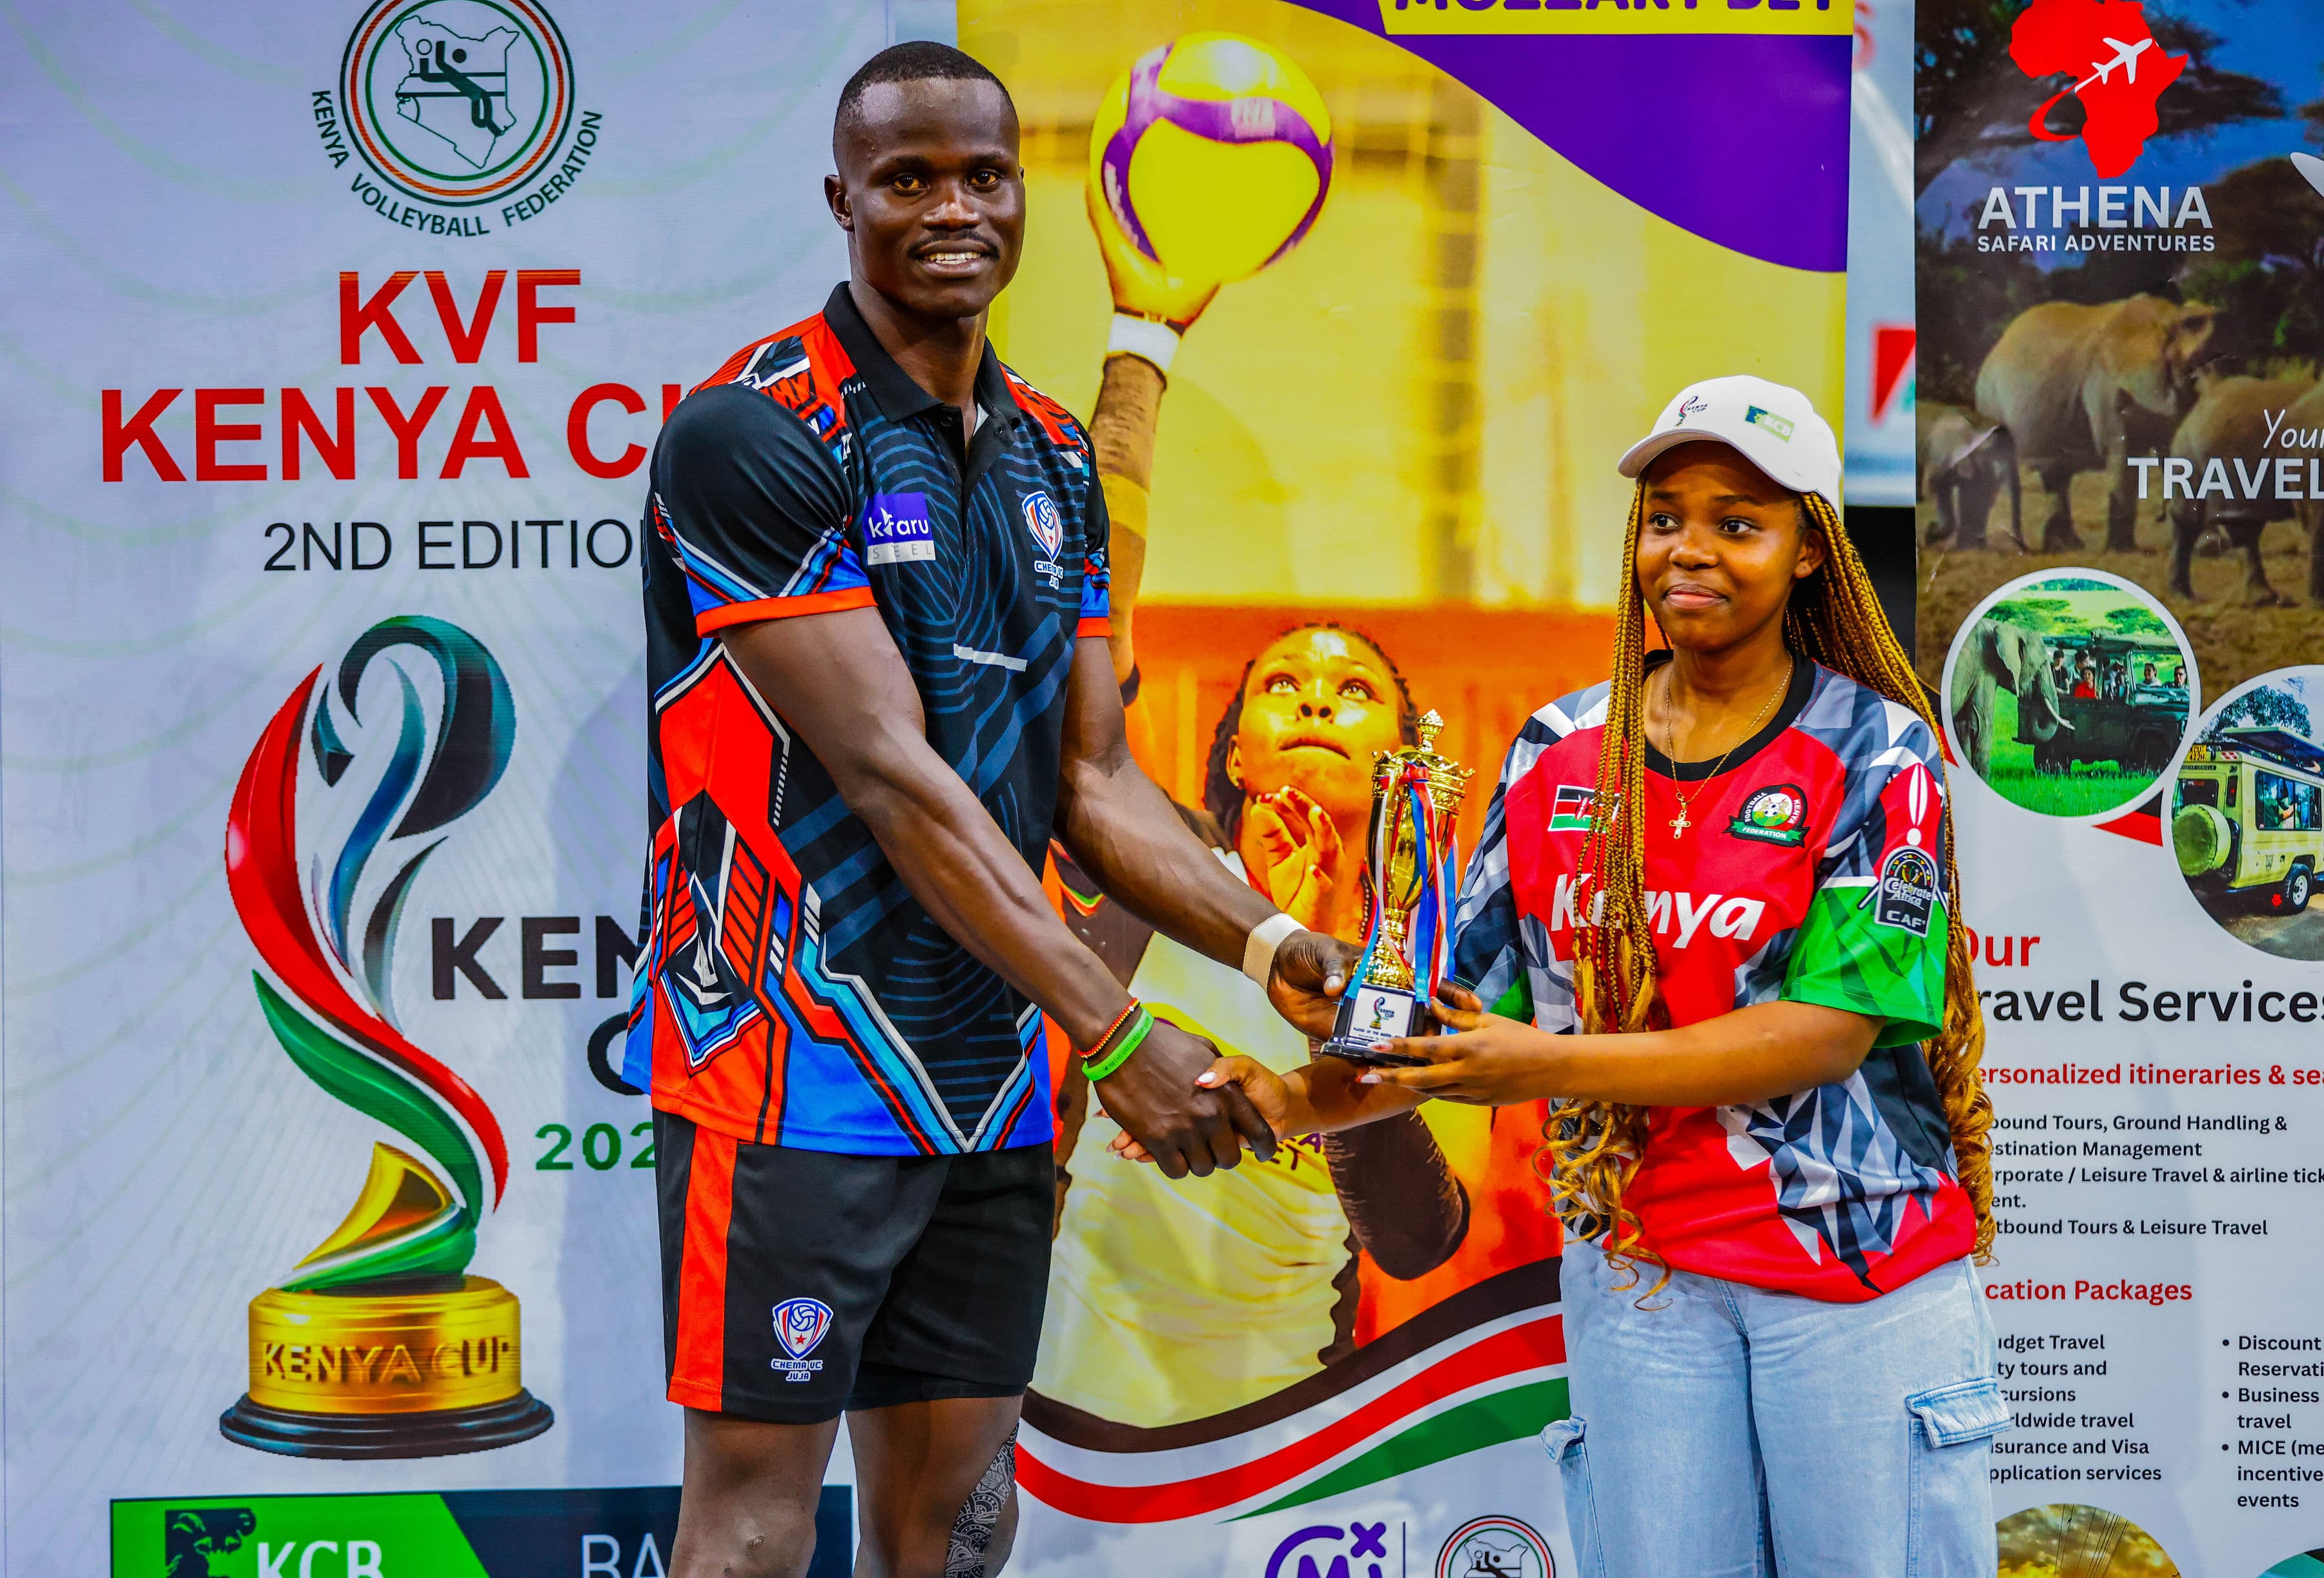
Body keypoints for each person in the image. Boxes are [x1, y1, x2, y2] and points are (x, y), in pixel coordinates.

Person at [626, 43, 1354, 1578]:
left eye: (982, 175)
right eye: (908, 180)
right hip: (792, 1079)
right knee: (755, 1522)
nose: (953, 208)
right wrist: (1116, 1032)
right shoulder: (748, 434)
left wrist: (1279, 944)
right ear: (841, 200)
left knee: (957, 1528)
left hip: (992, 1082)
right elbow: (900, 784)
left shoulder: (1059, 461)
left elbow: (1090, 786)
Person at [1167, 377, 2006, 1574]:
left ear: (1812, 549)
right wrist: (1294, 1098)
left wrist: (1541, 1066)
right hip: (1641, 1280)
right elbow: (1453, 1023)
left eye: (1738, 520)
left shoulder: (1876, 750)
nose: (1691, 550)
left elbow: (1827, 1033)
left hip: (1852, 1275)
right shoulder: (1561, 751)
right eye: (1666, 516)